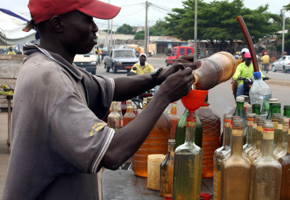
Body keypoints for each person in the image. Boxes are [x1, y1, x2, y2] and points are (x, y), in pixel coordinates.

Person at [2, 0, 195, 199]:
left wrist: (158, 77)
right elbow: (113, 153)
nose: (95, 28)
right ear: (58, 24)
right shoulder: (51, 79)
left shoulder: (53, 66)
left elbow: (111, 88)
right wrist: (164, 95)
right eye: (88, 20)